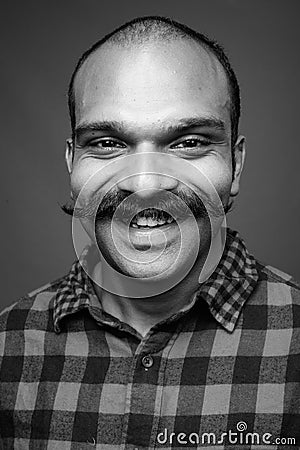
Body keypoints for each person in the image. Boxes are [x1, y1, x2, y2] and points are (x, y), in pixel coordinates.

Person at [0, 15, 299, 449]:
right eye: (106, 144)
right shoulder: (8, 348)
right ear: (72, 164)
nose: (145, 184)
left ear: (236, 165)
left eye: (189, 142)